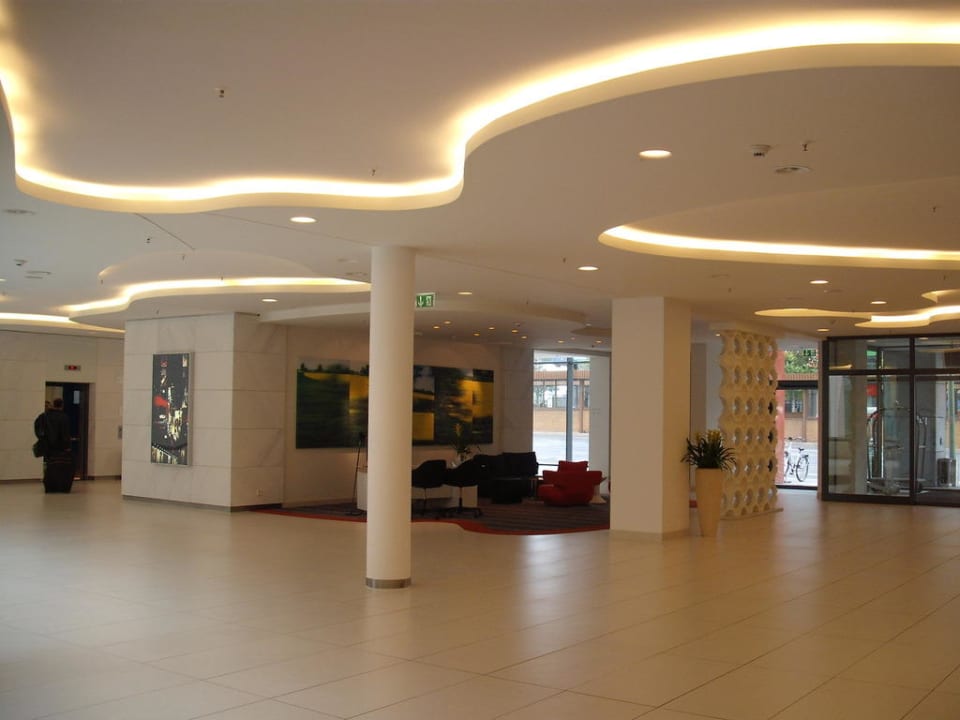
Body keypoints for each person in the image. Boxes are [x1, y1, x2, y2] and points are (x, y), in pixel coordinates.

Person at [34, 398, 73, 493]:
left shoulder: (43, 416)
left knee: (49, 465)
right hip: (60, 447)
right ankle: (60, 485)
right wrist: (67, 446)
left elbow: (38, 428)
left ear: (53, 405)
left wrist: (43, 439)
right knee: (60, 466)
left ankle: (49, 485)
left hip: (47, 446)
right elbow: (65, 433)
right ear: (62, 405)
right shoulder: (64, 417)